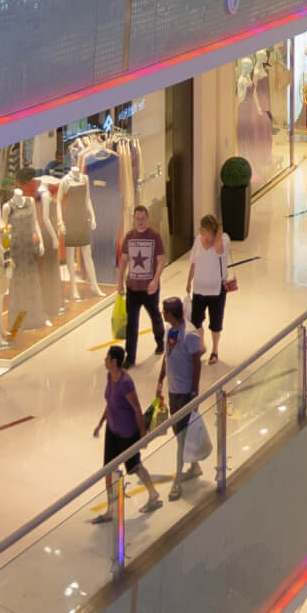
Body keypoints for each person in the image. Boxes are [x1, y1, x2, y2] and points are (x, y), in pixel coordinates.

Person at [91, 345, 162, 519]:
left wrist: (143, 435)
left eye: (107, 358)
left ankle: (153, 494)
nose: (105, 361)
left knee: (134, 467)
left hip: (127, 432)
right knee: (108, 469)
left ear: (114, 361)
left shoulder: (126, 382)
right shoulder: (110, 376)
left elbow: (137, 409)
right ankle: (111, 509)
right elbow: (110, 403)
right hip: (112, 429)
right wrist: (101, 423)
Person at [155, 296, 206, 500]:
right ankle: (194, 466)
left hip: (185, 393)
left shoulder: (190, 335)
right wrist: (160, 381)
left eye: (164, 311)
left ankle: (177, 483)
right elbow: (167, 357)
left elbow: (197, 365)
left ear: (171, 313)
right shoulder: (170, 331)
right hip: (173, 390)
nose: (162, 314)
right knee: (178, 433)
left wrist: (194, 394)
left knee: (181, 439)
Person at [118, 204, 165, 367]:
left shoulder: (155, 236)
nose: (140, 222)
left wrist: (155, 280)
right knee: (132, 323)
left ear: (148, 219)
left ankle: (160, 340)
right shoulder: (129, 236)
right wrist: (119, 284)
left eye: (143, 218)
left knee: (155, 316)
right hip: (132, 288)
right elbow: (123, 262)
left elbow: (161, 261)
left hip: (150, 288)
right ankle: (130, 357)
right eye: (137, 218)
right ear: (133, 219)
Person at [186, 213, 231, 364]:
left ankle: (215, 350)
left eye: (208, 233)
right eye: (203, 232)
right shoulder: (198, 241)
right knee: (196, 320)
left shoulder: (223, 239)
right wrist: (188, 282)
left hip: (216, 289)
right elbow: (193, 262)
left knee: (216, 322)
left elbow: (219, 251)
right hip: (199, 288)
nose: (205, 236)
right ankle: (201, 345)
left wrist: (217, 235)